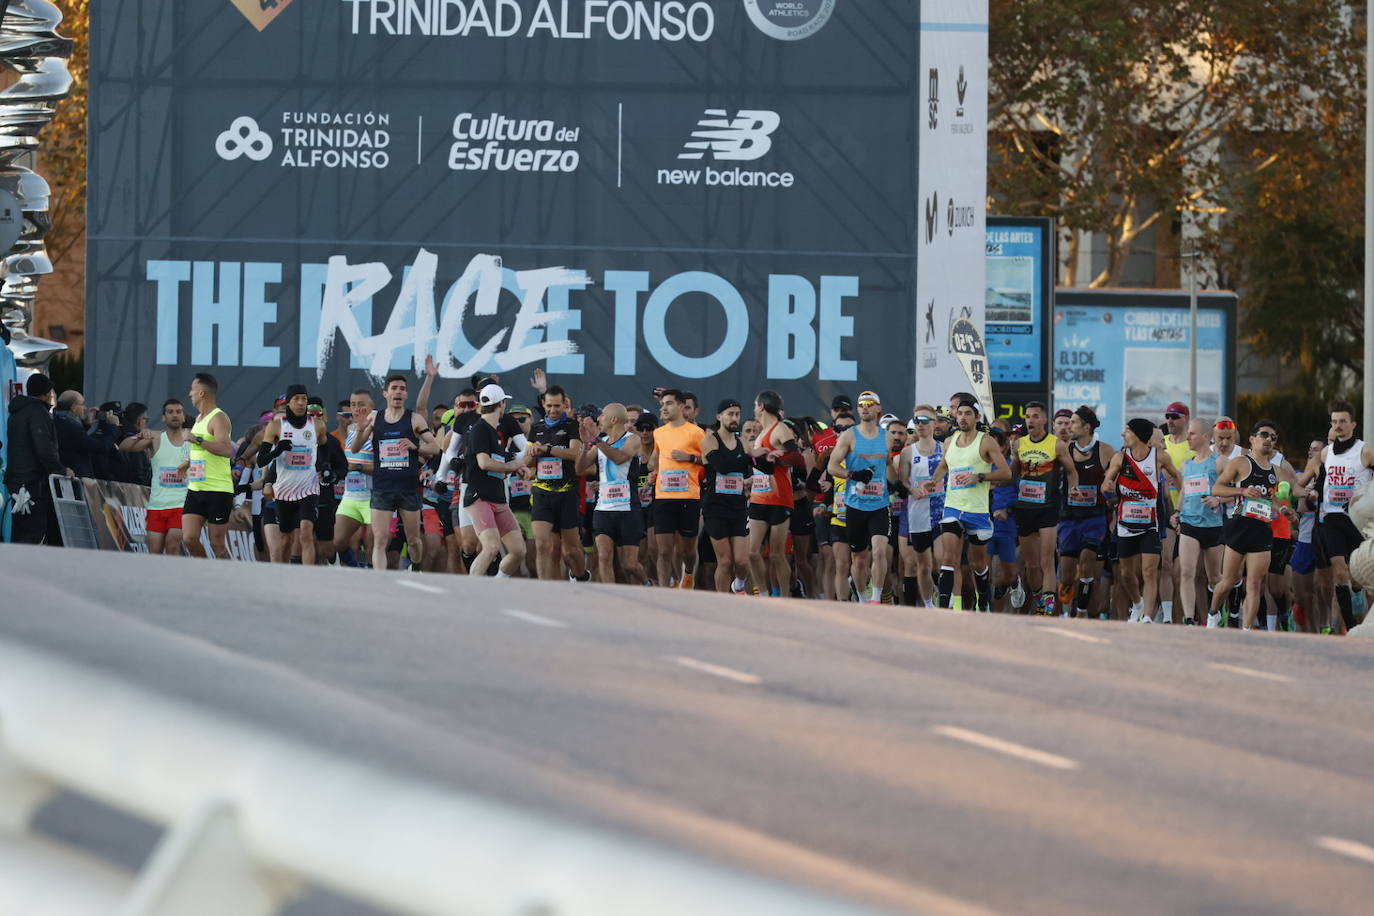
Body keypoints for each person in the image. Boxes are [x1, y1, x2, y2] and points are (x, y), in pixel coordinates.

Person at [919, 397, 1012, 610]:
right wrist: (932, 482)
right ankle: (944, 609)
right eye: (959, 413)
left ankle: (984, 601)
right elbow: (944, 465)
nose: (962, 417)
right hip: (952, 507)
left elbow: (1005, 472)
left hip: (977, 510)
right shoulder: (949, 441)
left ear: (977, 417)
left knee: (977, 564)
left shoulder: (986, 441)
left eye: (968, 413)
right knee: (948, 557)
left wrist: (978, 477)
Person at [1205, 420, 1297, 629]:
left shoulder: (1276, 471)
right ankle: (1213, 614)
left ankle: (1246, 630)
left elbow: (1272, 500)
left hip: (1262, 528)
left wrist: (1284, 510)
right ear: (1252, 439)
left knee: (1255, 584)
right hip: (1239, 523)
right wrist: (1242, 491)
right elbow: (1218, 489)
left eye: (1273, 437)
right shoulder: (1240, 463)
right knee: (1228, 580)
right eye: (1264, 435)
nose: (1269, 440)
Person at [1298, 400, 1374, 631]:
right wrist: (1309, 493)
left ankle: (1364, 620)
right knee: (1339, 571)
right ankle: (1349, 626)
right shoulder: (1325, 453)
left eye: (1342, 421)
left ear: (1353, 424)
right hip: (1331, 518)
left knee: (1362, 577)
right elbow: (1297, 487)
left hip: (1358, 519)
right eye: (1334, 422)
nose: (1338, 426)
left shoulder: (1365, 451)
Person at [351, 372, 439, 571]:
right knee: (380, 539)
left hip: (408, 489)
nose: (398, 392)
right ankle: (379, 581)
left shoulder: (414, 419)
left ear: (406, 395)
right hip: (383, 487)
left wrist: (414, 446)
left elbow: (434, 448)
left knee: (414, 540)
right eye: (394, 388)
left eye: (402, 389)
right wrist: (360, 429)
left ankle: (415, 565)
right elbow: (356, 448)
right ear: (385, 393)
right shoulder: (375, 417)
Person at [1103, 418, 1182, 623]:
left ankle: (1147, 616)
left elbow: (1177, 476)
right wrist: (1108, 486)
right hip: (1125, 525)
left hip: (1150, 524)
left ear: (1138, 435)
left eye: (1127, 431)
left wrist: (1182, 501)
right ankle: (1137, 604)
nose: (1123, 434)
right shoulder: (1120, 458)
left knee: (1149, 571)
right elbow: (1106, 482)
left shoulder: (1160, 457)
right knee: (1126, 574)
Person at [828, 390, 900, 604]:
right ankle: (861, 598)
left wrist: (897, 485)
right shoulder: (849, 435)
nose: (865, 407)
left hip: (879, 505)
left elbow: (887, 465)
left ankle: (875, 599)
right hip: (855, 505)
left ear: (879, 409)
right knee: (859, 560)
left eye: (870, 403)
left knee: (879, 552)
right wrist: (853, 474)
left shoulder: (886, 437)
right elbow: (832, 466)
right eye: (861, 404)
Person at [1011, 400, 1078, 615]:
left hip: (1048, 507)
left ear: (1044, 420)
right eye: (1028, 416)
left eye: (1035, 416)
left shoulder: (1056, 444)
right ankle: (1040, 600)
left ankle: (1047, 609)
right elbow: (1013, 473)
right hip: (1024, 507)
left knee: (1047, 560)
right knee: (1031, 565)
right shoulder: (1019, 444)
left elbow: (1071, 471)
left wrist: (1073, 488)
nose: (1030, 420)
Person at [257, 384, 329, 564]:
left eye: (304, 399)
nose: (301, 402)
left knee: (306, 532)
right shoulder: (275, 426)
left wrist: (325, 466)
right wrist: (278, 450)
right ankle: (282, 574)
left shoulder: (318, 426)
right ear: (288, 403)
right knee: (286, 538)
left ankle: (306, 577)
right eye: (296, 399)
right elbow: (261, 460)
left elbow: (325, 448)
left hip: (309, 488)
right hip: (284, 490)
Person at [462, 383, 529, 577]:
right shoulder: (480, 429)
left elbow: (497, 463)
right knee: (491, 547)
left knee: (518, 551)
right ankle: (472, 592)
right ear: (502, 404)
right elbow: (484, 463)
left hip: (497, 497)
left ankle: (496, 584)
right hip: (480, 497)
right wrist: (513, 466)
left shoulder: (492, 431)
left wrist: (517, 469)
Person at [1057, 406, 1115, 619]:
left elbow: (1117, 477)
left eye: (1073, 422)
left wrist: (1112, 489)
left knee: (1088, 560)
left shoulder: (1106, 451)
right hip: (1069, 518)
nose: (1069, 426)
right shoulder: (1064, 448)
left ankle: (1081, 611)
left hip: (1095, 518)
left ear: (1086, 427)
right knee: (1066, 575)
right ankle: (1065, 611)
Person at [577, 402, 645, 584]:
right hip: (603, 508)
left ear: (614, 419)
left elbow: (620, 457)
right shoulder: (602, 443)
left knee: (629, 564)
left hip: (628, 509)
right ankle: (611, 598)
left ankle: (647, 584)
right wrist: (585, 445)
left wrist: (595, 440)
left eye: (603, 415)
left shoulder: (632, 439)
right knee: (604, 557)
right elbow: (580, 468)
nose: (600, 419)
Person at [527, 385, 588, 581]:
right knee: (543, 545)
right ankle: (546, 590)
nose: (553, 410)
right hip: (542, 493)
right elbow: (526, 461)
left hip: (567, 493)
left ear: (565, 404)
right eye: (549, 406)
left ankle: (581, 576)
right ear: (543, 404)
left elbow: (575, 454)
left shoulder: (571, 426)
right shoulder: (536, 429)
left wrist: (548, 449)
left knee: (570, 551)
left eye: (557, 406)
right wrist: (532, 453)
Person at [120, 398, 192, 555]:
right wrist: (138, 436)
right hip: (157, 505)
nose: (174, 415)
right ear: (163, 417)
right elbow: (124, 446)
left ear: (183, 417)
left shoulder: (192, 441)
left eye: (178, 412)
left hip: (182, 505)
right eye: (170, 412)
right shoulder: (155, 437)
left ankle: (173, 579)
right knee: (155, 551)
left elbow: (201, 475)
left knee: (172, 543)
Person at [748, 390, 801, 597]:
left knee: (778, 555)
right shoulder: (762, 432)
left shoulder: (780, 429)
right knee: (753, 553)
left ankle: (785, 597)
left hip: (779, 498)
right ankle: (763, 593)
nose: (754, 408)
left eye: (755, 405)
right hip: (759, 496)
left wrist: (778, 458)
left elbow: (797, 458)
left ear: (761, 406)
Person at [4, 373, 69, 545]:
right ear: (47, 393)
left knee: (20, 532)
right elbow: (44, 448)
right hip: (33, 484)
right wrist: (61, 470)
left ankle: (13, 570)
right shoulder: (37, 413)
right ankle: (25, 571)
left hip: (17, 482)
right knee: (33, 535)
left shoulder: (16, 413)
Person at [650, 390, 704, 588]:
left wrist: (690, 458)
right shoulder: (659, 433)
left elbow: (709, 460)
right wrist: (654, 470)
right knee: (663, 550)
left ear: (682, 406)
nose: (663, 407)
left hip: (689, 497)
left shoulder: (696, 432)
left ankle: (688, 572)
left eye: (669, 403)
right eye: (662, 404)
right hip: (663, 496)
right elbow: (656, 460)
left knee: (686, 551)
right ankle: (664, 590)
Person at [1174, 419, 1225, 624]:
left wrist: (1218, 499)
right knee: (1187, 572)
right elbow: (1185, 490)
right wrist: (1177, 512)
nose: (1188, 437)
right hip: (1189, 523)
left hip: (1213, 526)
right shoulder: (1186, 464)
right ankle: (1188, 619)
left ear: (1205, 436)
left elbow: (1237, 490)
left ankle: (1216, 612)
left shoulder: (1220, 462)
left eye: (1192, 434)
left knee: (1214, 578)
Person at [699, 398, 752, 594]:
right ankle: (722, 602)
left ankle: (738, 585)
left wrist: (767, 458)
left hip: (738, 507)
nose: (734, 418)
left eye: (737, 414)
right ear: (719, 416)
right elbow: (723, 466)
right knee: (725, 561)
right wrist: (750, 456)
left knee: (742, 561)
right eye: (730, 414)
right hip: (715, 508)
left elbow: (748, 471)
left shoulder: (743, 443)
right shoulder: (710, 440)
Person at [182, 373, 235, 559]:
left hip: (218, 490)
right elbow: (202, 452)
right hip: (196, 487)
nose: (190, 394)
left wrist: (197, 439)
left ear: (202, 393)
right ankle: (205, 573)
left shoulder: (219, 418)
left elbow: (225, 449)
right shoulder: (198, 418)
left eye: (192, 390)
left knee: (217, 544)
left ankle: (228, 579)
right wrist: (186, 464)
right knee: (189, 538)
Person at [898, 406, 943, 607]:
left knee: (943, 560)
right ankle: (928, 605)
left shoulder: (946, 448)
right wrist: (911, 489)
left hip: (942, 512)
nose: (920, 424)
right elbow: (902, 481)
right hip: (918, 514)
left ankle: (947, 602)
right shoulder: (907, 452)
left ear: (935, 423)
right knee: (923, 566)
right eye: (917, 420)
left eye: (925, 420)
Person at [53, 390, 119, 480]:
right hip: (76, 478)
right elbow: (102, 447)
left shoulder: (56, 421)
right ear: (73, 407)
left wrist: (86, 424)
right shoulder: (72, 427)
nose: (85, 407)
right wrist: (113, 427)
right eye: (82, 404)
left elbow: (76, 441)